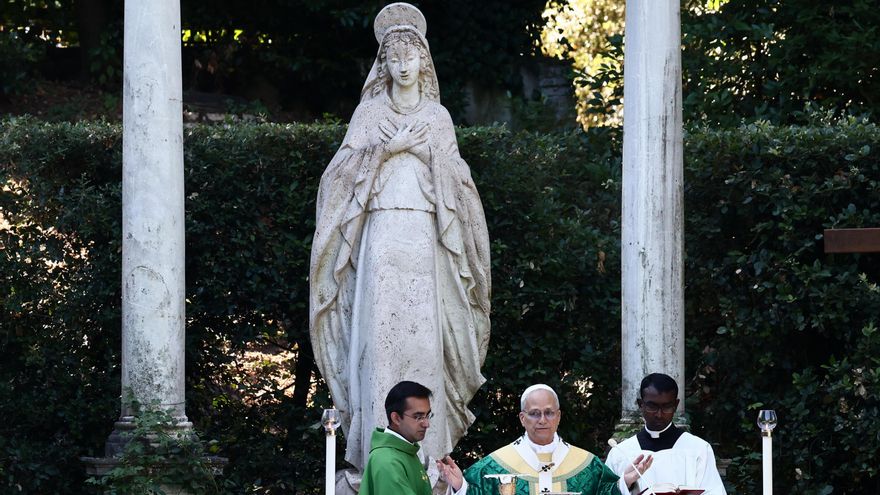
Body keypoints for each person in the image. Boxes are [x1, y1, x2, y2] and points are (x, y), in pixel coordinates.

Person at [309, 2, 491, 471]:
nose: (404, 63)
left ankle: (429, 459)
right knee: (380, 342)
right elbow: (338, 179)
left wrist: (429, 156)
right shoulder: (369, 117)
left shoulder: (438, 117)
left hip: (426, 238)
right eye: (395, 56)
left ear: (423, 62)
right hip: (381, 237)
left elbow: (459, 184)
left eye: (412, 55)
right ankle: (376, 458)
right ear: (384, 64)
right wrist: (386, 150)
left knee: (424, 343)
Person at [436, 384, 650, 495]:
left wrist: (625, 482)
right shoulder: (494, 466)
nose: (542, 420)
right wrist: (460, 487)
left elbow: (606, 493)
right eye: (534, 413)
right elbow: (474, 493)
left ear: (558, 416)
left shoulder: (587, 465)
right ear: (522, 418)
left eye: (549, 413)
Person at [606, 373, 727, 494]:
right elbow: (604, 491)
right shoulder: (620, 453)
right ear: (640, 404)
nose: (659, 414)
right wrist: (625, 484)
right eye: (652, 407)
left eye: (667, 407)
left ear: (676, 405)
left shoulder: (698, 449)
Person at [360, 381, 465, 495]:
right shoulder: (387, 461)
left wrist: (458, 488)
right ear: (396, 418)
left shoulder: (405, 451)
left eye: (427, 415)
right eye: (418, 417)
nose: (426, 424)